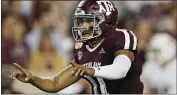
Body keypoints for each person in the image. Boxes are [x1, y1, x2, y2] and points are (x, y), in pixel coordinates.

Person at [10, 0, 143, 94]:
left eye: (88, 21)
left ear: (106, 20)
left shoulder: (122, 36)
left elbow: (120, 70)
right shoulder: (83, 48)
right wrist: (33, 79)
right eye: (80, 21)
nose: (82, 26)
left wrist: (91, 70)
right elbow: (55, 84)